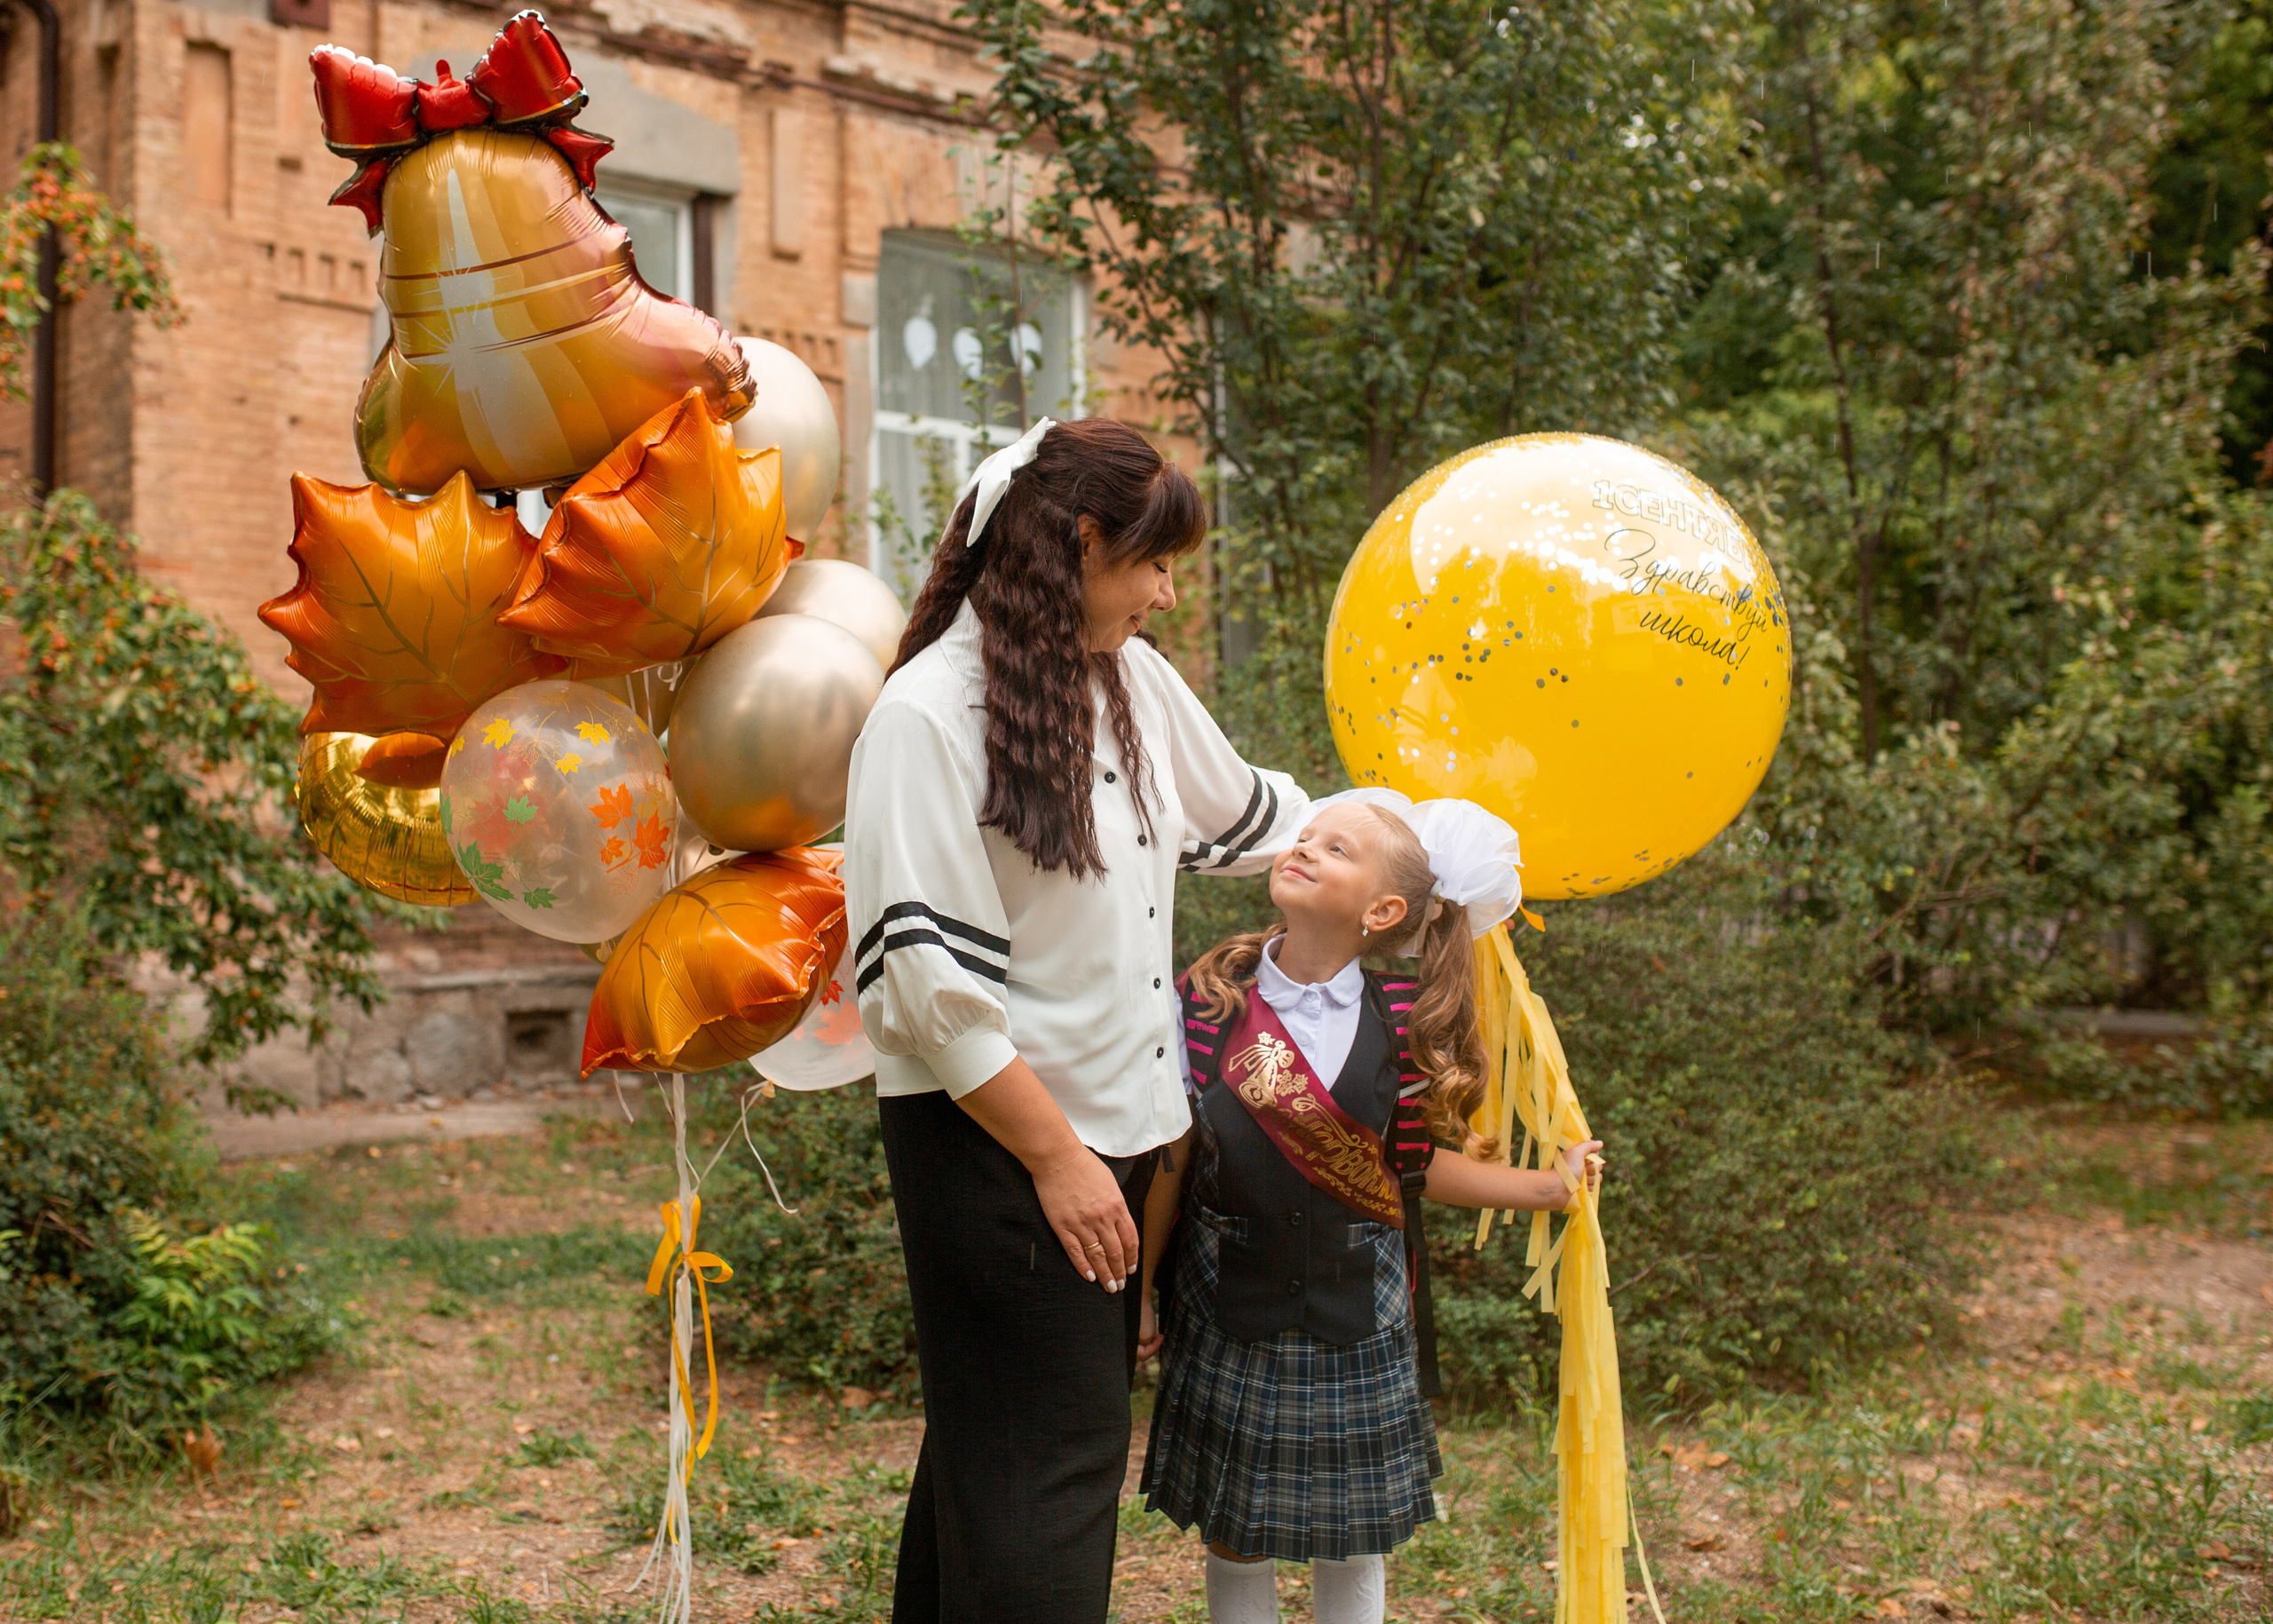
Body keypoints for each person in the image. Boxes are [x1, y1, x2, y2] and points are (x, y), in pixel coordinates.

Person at [843, 416, 1314, 1623]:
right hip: (1000, 1145)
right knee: (1048, 1476)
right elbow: (925, 987)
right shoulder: (926, 716)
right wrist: (1058, 1159)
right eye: (1152, 565)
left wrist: (1425, 837)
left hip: (1113, 1136)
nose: (1165, 594)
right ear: (1080, 546)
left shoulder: (1130, 683)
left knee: (993, 1466)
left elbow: (1255, 818)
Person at [1136, 790, 1605, 1624]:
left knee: (1355, 1536)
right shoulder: (1207, 1001)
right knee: (1235, 1532)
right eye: (1305, 836)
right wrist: (1143, 1287)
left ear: (1384, 909)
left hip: (1360, 1309)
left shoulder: (1402, 1021)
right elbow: (1172, 1158)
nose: (1306, 847)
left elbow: (1417, 1170)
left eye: (1338, 848)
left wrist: (1551, 1185)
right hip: (1228, 1303)